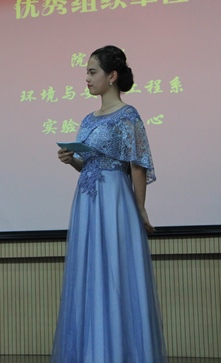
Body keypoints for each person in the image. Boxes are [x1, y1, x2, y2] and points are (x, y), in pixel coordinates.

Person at [51, 46, 167, 362]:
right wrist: (72, 160)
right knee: (90, 272)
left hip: (115, 198)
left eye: (93, 72)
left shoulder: (128, 116)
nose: (87, 79)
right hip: (87, 202)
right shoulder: (88, 118)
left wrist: (140, 208)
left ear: (112, 76)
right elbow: (89, 164)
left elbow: (137, 164)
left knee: (115, 269)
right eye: (87, 73)